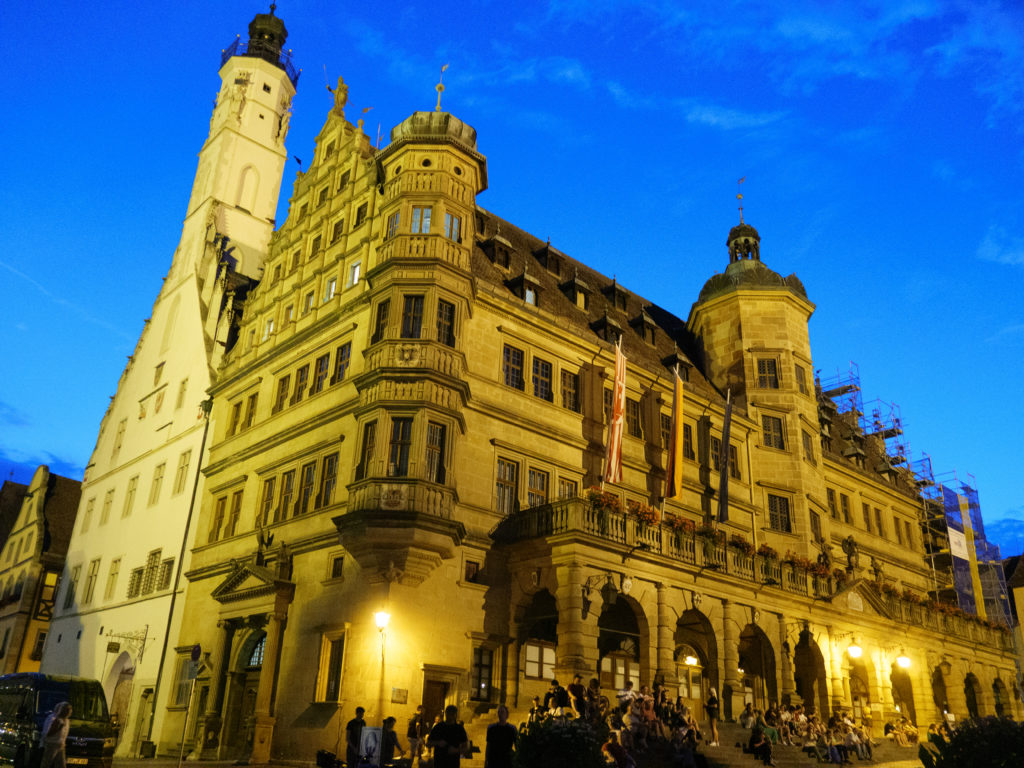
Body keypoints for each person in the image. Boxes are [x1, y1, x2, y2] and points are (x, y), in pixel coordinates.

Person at [40, 702, 72, 768]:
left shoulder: (66, 720)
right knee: (47, 763)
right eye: (67, 710)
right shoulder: (54, 719)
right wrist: (59, 728)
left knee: (61, 764)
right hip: (52, 744)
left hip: (61, 745)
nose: (69, 712)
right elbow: (48, 733)